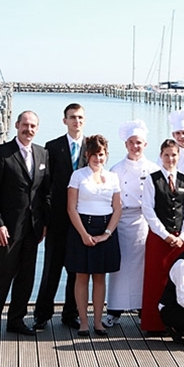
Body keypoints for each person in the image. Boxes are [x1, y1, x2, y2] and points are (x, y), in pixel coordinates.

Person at [0, 110, 50, 339]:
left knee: (26, 277)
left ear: (37, 129)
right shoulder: (2, 153)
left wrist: (44, 222)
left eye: (33, 126)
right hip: (7, 228)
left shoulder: (42, 154)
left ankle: (16, 320)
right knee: (2, 275)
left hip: (33, 228)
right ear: (17, 125)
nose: (29, 129)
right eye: (25, 125)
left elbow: (45, 193)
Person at [34, 103, 87, 331]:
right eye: (72, 117)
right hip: (57, 218)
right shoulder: (52, 147)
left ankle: (70, 313)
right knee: (52, 268)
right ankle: (42, 314)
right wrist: (45, 220)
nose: (77, 121)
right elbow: (45, 186)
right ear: (65, 120)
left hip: (82, 219)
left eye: (80, 117)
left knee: (76, 270)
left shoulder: (91, 146)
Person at [104, 120, 160, 328]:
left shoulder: (154, 169)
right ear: (126, 144)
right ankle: (114, 310)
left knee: (142, 267)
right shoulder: (116, 169)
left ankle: (141, 308)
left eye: (139, 143)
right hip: (121, 220)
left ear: (145, 145)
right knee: (119, 267)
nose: (135, 146)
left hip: (144, 221)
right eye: (131, 142)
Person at [65, 134, 122, 336]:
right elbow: (71, 208)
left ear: (106, 155)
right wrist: (83, 234)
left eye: (102, 154)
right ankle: (83, 322)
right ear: (88, 155)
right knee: (81, 276)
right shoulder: (78, 176)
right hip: (82, 228)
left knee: (100, 277)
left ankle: (98, 322)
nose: (98, 158)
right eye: (95, 155)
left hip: (105, 230)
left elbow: (117, 208)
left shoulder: (113, 177)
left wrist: (107, 234)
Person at [141, 139, 184, 332]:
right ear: (161, 156)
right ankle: (153, 323)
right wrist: (164, 234)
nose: (170, 159)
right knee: (155, 280)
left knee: (180, 281)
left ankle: (177, 322)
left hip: (180, 238)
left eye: (174, 155)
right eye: (166, 155)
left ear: (178, 157)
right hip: (159, 238)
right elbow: (147, 209)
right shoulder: (152, 179)